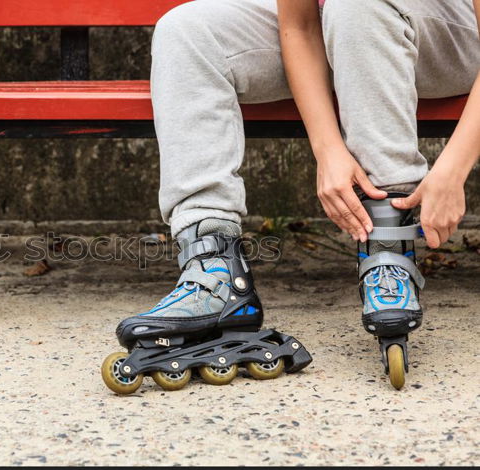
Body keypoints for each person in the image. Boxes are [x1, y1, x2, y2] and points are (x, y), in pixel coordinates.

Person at [116, 0, 480, 388]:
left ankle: (387, 245)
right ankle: (214, 265)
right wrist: (328, 151)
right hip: (334, 25)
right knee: (187, 29)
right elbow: (300, 26)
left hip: (446, 33)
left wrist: (453, 169)